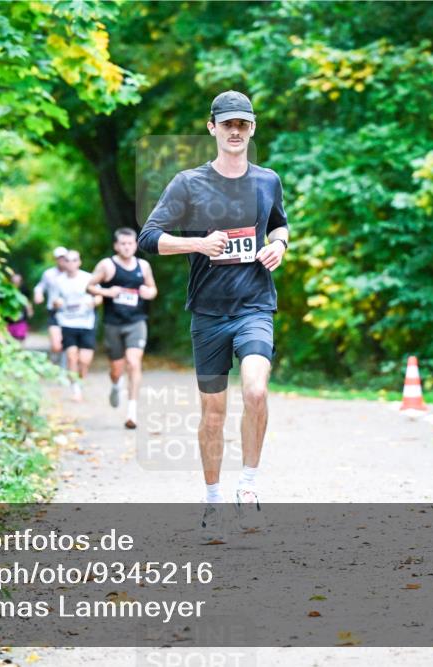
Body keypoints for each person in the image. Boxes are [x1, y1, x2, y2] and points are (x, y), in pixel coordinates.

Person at [137, 90, 288, 542]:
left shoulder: (267, 181)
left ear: (252, 129)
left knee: (256, 389)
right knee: (214, 413)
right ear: (212, 128)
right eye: (227, 124)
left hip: (255, 304)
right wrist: (198, 244)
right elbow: (149, 237)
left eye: (243, 124)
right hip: (208, 312)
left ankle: (249, 486)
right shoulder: (188, 183)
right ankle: (213, 499)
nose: (235, 131)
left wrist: (280, 244)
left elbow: (278, 222)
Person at [88, 227, 158, 429]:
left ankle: (132, 412)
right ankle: (116, 384)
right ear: (116, 246)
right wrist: (107, 292)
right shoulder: (107, 265)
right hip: (113, 323)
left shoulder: (143, 266)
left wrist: (148, 292)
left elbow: (153, 289)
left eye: (130, 243)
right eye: (123, 244)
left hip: (136, 321)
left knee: (134, 363)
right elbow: (89, 286)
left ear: (135, 245)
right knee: (116, 369)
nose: (127, 247)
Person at [49, 250, 102, 401]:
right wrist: (58, 303)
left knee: (84, 360)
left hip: (86, 323)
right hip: (67, 323)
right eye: (68, 260)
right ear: (64, 263)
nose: (71, 263)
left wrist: (93, 302)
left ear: (79, 262)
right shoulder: (58, 281)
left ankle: (80, 382)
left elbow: (99, 296)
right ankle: (76, 389)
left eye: (74, 260)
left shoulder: (88, 278)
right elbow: (54, 301)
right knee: (71, 357)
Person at [33, 247, 69, 367]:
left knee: (69, 342)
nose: (62, 261)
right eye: (59, 258)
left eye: (64, 258)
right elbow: (40, 287)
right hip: (54, 311)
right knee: (56, 344)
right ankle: (55, 357)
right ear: (55, 259)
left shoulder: (73, 273)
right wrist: (38, 295)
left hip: (71, 312)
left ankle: (65, 367)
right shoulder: (49, 274)